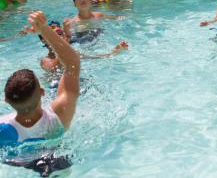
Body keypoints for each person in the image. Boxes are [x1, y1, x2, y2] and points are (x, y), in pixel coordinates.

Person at [0, 11, 80, 175]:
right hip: (53, 163)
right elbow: (72, 63)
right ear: (42, 92)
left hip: (16, 163)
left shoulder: (2, 128)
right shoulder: (58, 118)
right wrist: (44, 28)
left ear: (6, 100)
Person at [37, 23, 128, 73]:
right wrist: (65, 41)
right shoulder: (45, 60)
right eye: (52, 28)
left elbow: (97, 57)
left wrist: (114, 51)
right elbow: (54, 68)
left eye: (59, 27)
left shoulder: (74, 53)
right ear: (44, 40)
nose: (57, 28)